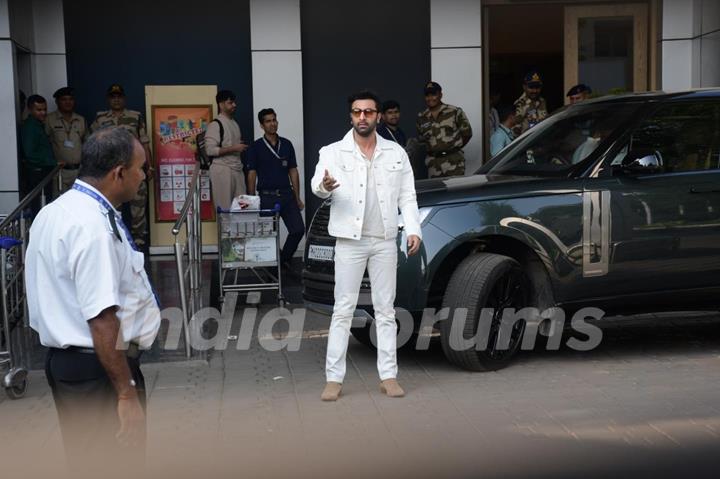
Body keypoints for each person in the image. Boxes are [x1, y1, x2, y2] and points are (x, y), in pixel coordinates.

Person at [25, 127, 161, 473]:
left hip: (71, 365)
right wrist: (127, 394)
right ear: (118, 173)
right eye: (141, 168)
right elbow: (102, 318)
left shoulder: (56, 212)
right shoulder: (90, 226)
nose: (144, 176)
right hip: (100, 371)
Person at [311, 90, 422, 401]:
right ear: (351, 116)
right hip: (349, 241)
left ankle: (388, 376)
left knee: (386, 310)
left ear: (378, 116)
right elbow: (317, 185)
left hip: (385, 239)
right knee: (343, 310)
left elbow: (408, 196)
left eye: (369, 112)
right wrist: (325, 185)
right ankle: (334, 379)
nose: (363, 117)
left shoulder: (396, 153)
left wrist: (413, 229)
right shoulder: (333, 151)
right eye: (358, 112)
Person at [91, 84, 153, 250]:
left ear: (124, 98)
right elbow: (94, 144)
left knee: (138, 207)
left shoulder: (135, 116)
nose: (116, 99)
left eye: (119, 96)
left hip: (132, 168)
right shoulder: (100, 118)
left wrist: (149, 166)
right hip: (110, 170)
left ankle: (139, 243)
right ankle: (114, 242)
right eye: (113, 97)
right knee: (111, 206)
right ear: (108, 99)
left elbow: (144, 142)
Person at [246, 108, 305, 271]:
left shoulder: (286, 144)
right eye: (268, 121)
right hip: (267, 197)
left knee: (298, 229)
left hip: (287, 195)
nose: (272, 124)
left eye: (274, 120)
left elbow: (293, 170)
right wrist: (252, 200)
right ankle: (271, 271)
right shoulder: (256, 147)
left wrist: (297, 197)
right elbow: (252, 174)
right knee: (268, 236)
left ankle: (284, 259)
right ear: (261, 125)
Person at [416, 81, 473, 178]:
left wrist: (454, 148)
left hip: (453, 162)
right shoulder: (422, 117)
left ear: (440, 95)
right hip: (434, 164)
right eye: (427, 95)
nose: (430, 98)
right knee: (436, 192)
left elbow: (467, 133)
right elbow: (422, 138)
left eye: (433, 94)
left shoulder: (454, 112)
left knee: (456, 191)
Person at [204, 90, 248, 210]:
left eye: (234, 102)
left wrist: (236, 147)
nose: (234, 105)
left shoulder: (234, 123)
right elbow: (210, 150)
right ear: (221, 104)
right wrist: (234, 147)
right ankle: (225, 230)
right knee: (225, 211)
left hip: (237, 168)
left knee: (242, 209)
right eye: (230, 102)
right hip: (222, 169)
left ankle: (238, 230)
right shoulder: (215, 124)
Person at [46, 87, 88, 193]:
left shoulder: (81, 120)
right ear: (57, 102)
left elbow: (87, 143)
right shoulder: (49, 120)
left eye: (70, 99)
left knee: (79, 203)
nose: (68, 102)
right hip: (60, 172)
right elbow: (44, 144)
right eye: (64, 99)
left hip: (78, 171)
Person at [20, 94, 57, 215]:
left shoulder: (38, 125)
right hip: (37, 173)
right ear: (30, 110)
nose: (43, 113)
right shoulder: (30, 127)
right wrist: (53, 162)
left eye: (45, 109)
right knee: (39, 208)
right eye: (39, 110)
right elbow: (30, 153)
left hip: (44, 172)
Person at [513, 71, 548, 135]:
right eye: (531, 87)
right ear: (524, 87)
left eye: (537, 87)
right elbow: (515, 131)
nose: (534, 91)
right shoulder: (520, 104)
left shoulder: (542, 101)